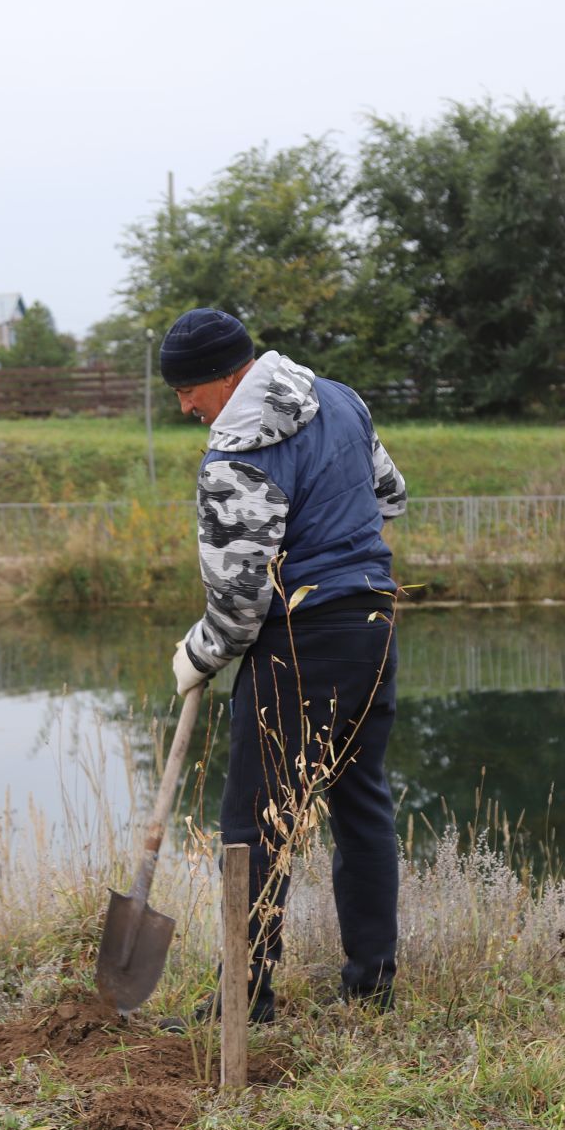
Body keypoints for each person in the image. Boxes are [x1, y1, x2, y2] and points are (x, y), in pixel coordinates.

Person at [160, 308, 407, 1023]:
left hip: (300, 639)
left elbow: (239, 609)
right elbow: (390, 494)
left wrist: (198, 654)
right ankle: (371, 990)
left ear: (229, 376)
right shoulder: (341, 399)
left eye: (189, 391)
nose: (185, 408)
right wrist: (338, 547)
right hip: (371, 621)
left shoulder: (235, 454)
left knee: (252, 827)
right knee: (361, 803)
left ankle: (242, 1002)